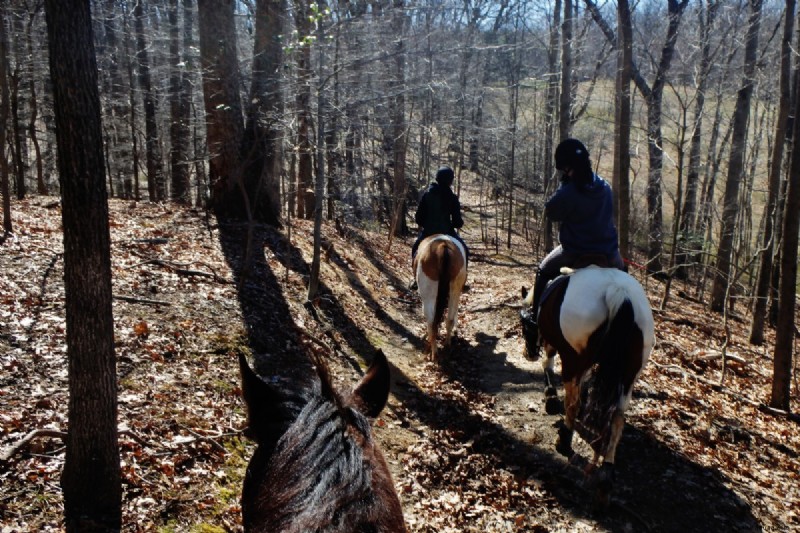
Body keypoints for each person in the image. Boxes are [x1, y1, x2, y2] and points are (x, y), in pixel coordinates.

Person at [527, 138, 625, 354]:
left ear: (567, 167)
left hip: (574, 253)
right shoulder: (605, 187)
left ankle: (534, 325)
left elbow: (551, 212)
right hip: (608, 254)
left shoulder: (569, 191)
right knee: (625, 278)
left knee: (543, 271)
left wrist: (564, 186)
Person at [409, 166, 469, 290]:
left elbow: (419, 218)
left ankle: (415, 279)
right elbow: (457, 222)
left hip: (429, 232)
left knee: (415, 249)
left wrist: (427, 223)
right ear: (450, 181)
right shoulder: (452, 197)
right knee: (465, 250)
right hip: (447, 232)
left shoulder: (427, 195)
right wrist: (456, 223)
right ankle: (462, 281)